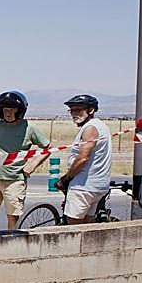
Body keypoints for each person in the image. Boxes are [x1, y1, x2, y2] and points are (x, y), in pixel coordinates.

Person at [0, 91, 50, 231]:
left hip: (15, 180)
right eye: (5, 109)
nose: (8, 113)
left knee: (12, 216)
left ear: (20, 110)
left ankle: (11, 244)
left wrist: (33, 165)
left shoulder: (29, 128)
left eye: (12, 109)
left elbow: (47, 147)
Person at [54, 94, 113, 224]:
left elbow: (82, 159)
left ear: (91, 110)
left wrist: (66, 179)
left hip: (83, 187)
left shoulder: (90, 128)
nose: (74, 114)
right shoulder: (101, 126)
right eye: (72, 110)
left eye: (78, 110)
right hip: (97, 185)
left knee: (73, 227)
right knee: (88, 225)